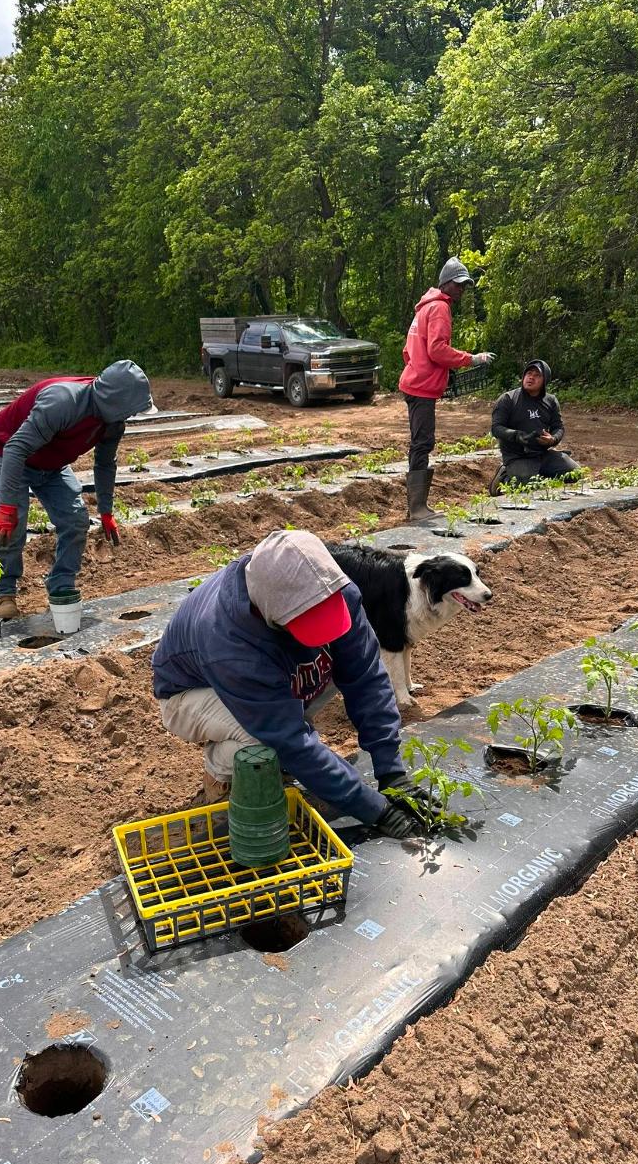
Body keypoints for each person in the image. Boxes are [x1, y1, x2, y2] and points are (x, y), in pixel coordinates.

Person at [152, 529, 427, 838]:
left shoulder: (336, 592)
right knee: (267, 742)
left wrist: (392, 772)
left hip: (270, 672)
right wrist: (376, 809)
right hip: (190, 695)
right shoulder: (227, 642)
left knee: (338, 663)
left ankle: (280, 757)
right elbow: (289, 738)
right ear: (271, 612)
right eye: (307, 623)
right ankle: (222, 774)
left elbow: (366, 676)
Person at [0, 360, 154, 617]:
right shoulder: (62, 402)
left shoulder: (113, 423)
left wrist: (106, 511)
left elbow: (105, 464)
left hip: (51, 463)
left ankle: (61, 585)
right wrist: (7, 509)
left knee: (75, 521)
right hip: (7, 453)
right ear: (115, 402)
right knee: (13, 526)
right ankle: (3, 592)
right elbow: (15, 448)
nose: (130, 416)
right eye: (130, 410)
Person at [399, 257, 495, 523]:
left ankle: (417, 507)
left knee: (420, 441)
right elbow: (437, 350)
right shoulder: (440, 308)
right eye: (459, 284)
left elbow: (408, 351)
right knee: (422, 443)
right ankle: (417, 509)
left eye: (465, 285)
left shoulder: (423, 308)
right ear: (446, 284)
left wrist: (427, 370)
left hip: (414, 382)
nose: (462, 289)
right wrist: (471, 358)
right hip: (422, 388)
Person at [489, 359, 581, 493]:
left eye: (537, 375)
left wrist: (553, 439)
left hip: (542, 454)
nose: (531, 377)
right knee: (526, 488)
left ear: (545, 381)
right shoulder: (508, 399)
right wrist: (517, 436)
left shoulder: (550, 401)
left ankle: (536, 475)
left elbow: (559, 427)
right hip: (518, 456)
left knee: (575, 473)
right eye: (529, 373)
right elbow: (496, 428)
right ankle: (504, 477)